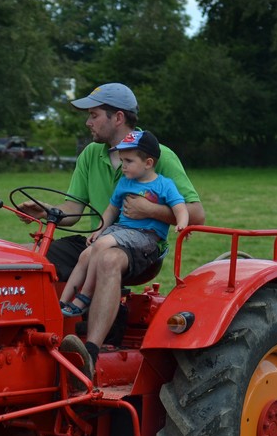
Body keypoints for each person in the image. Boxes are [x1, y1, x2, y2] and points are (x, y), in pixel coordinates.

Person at [17, 82, 204, 370]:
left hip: (143, 243)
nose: (88, 122)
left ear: (118, 117)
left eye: (94, 115)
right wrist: (45, 211)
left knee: (108, 258)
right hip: (99, 236)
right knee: (34, 260)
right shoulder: (91, 154)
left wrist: (150, 210)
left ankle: (89, 353)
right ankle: (32, 341)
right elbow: (73, 212)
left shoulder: (158, 154)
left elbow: (196, 214)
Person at [59, 130, 187, 317]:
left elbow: (180, 207)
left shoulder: (164, 185)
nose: (123, 166)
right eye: (122, 160)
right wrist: (100, 229)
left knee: (101, 245)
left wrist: (182, 223)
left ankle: (85, 296)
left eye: (128, 161)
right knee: (86, 255)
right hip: (122, 230)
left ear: (148, 163)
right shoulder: (125, 183)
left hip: (146, 234)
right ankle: (62, 302)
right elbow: (112, 209)